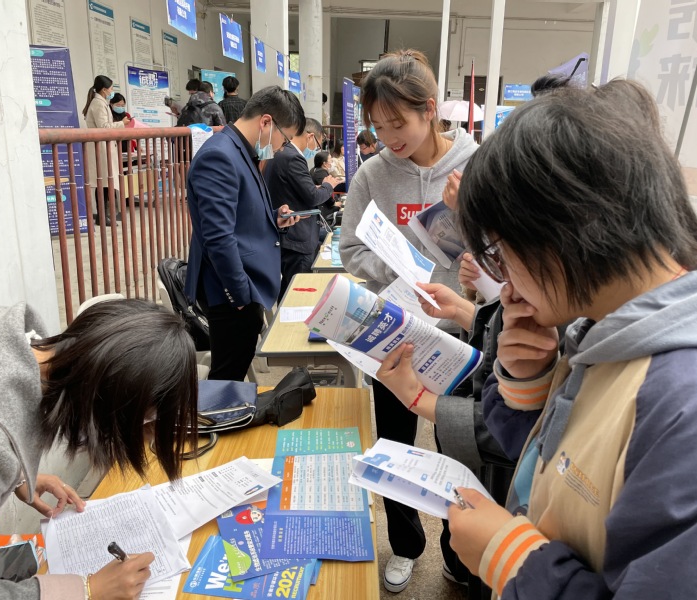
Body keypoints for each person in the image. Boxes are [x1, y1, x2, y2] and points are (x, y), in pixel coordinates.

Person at [430, 80, 697, 599]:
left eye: (500, 255)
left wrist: (508, 559)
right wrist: (530, 384)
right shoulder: (608, 325)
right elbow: (571, 474)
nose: (505, 286)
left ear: (565, 231)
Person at [339, 49, 480, 593]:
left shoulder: (476, 164)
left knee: (459, 447)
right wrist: (398, 264)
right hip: (393, 331)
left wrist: (467, 217)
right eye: (378, 126)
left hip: (458, 331)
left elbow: (505, 247)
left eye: (397, 123)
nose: (388, 137)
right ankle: (404, 545)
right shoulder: (373, 175)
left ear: (430, 110)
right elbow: (351, 248)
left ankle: (459, 552)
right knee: (395, 443)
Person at [0, 299, 199, 599]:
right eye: (147, 420)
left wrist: (18, 475)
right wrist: (87, 589)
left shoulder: (6, 334)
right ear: (113, 404)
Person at [184, 86, 302, 382]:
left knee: (233, 372)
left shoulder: (239, 150)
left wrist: (274, 218)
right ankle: (221, 414)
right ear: (266, 122)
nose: (281, 148)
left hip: (245, 284)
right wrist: (240, 295)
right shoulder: (219, 155)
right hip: (230, 290)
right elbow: (218, 237)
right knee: (227, 379)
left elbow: (238, 214)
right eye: (285, 138)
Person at [264, 117, 339, 302]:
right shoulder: (293, 157)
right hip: (297, 235)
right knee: (298, 294)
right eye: (318, 145)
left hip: (285, 233)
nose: (316, 150)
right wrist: (328, 186)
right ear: (310, 136)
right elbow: (312, 196)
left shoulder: (278, 153)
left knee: (288, 289)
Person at [82, 75, 129, 226]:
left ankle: (104, 215)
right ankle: (102, 216)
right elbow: (104, 127)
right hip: (101, 147)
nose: (112, 91)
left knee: (105, 182)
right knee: (103, 182)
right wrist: (121, 123)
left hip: (104, 147)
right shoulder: (98, 104)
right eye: (111, 88)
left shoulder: (102, 102)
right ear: (104, 90)